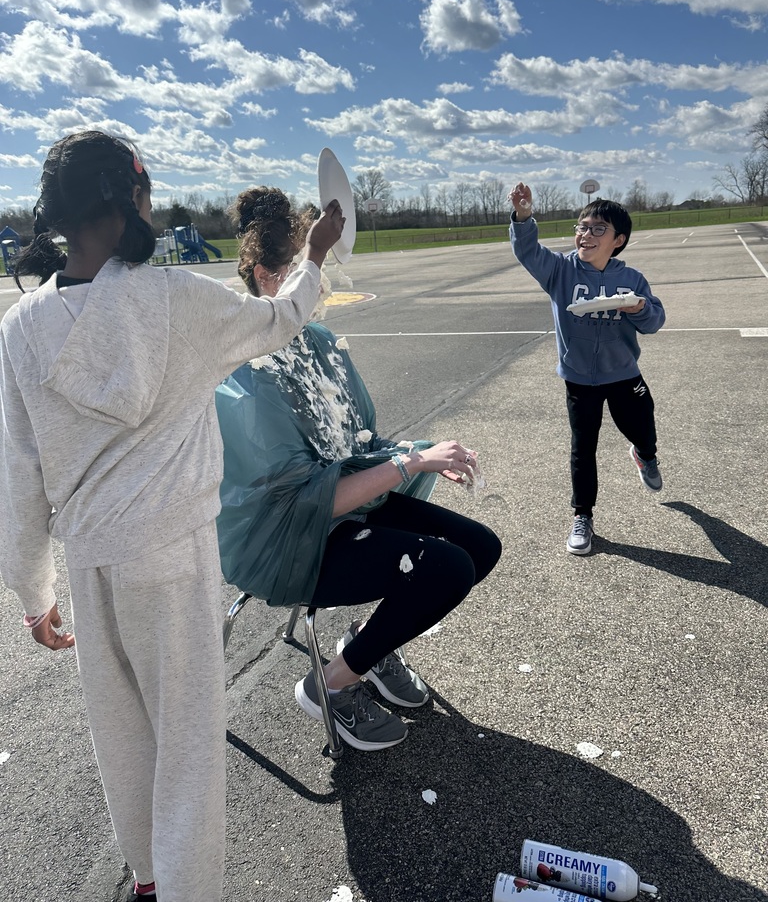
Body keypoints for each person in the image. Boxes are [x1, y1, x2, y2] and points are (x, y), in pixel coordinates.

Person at [0, 132, 343, 902]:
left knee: (123, 742)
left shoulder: (20, 330)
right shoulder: (177, 301)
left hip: (89, 563)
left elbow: (19, 475)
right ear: (128, 202)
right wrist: (316, 255)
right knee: (188, 752)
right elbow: (280, 318)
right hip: (172, 553)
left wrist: (32, 592)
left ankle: (150, 880)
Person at [216, 187, 503, 751]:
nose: (322, 284)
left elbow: (358, 441)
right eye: (310, 269)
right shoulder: (246, 373)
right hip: (288, 541)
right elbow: (300, 501)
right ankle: (328, 685)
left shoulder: (317, 342)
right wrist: (410, 463)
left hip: (344, 509)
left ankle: (362, 647)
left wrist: (424, 450)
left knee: (481, 548)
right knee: (445, 569)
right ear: (273, 278)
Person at [508, 183, 665, 556]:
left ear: (618, 240)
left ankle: (645, 453)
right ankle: (583, 515)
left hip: (624, 373)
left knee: (642, 424)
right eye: (582, 227)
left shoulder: (631, 279)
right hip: (579, 378)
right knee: (583, 447)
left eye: (598, 229)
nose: (586, 234)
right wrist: (524, 217)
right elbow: (527, 249)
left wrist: (638, 307)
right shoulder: (560, 271)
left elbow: (654, 321)